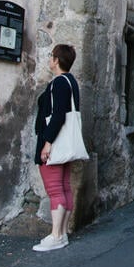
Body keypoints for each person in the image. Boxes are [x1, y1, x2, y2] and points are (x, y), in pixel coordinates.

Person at [32, 43, 79, 252]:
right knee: (64, 186)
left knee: (55, 189)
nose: (49, 59)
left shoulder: (59, 83)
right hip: (65, 143)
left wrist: (47, 143)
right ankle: (63, 232)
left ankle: (56, 235)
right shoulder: (71, 82)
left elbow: (58, 115)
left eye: (51, 56)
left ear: (57, 60)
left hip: (54, 142)